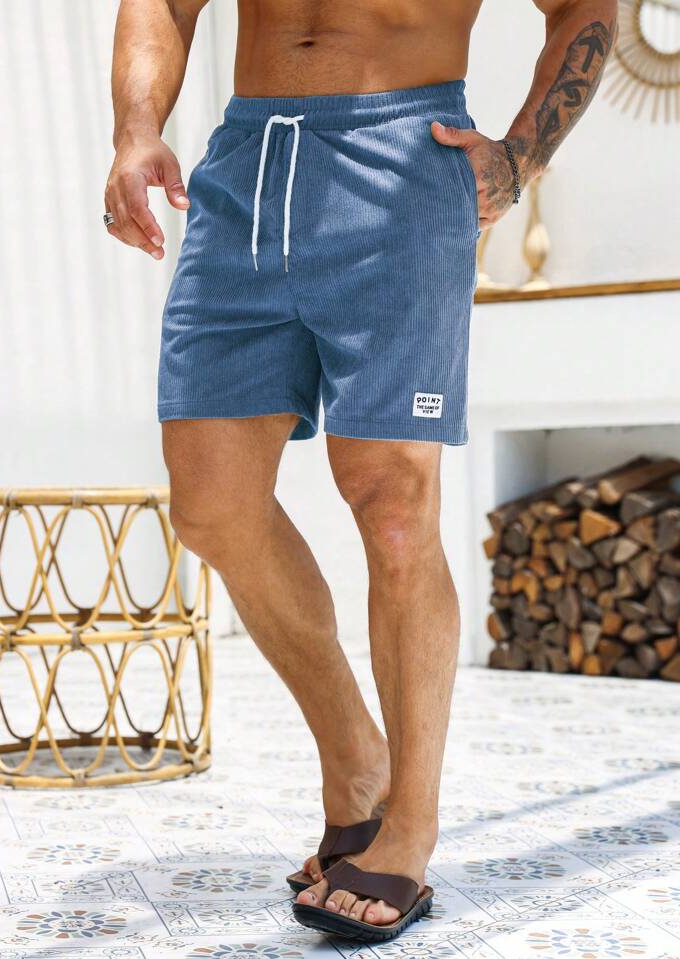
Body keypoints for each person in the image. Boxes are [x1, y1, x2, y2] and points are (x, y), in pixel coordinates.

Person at [105, 0, 617, 942]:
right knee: (211, 507)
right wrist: (137, 130)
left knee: (392, 506)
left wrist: (522, 155)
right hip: (248, 165)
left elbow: (584, 8)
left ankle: (408, 826)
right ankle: (355, 753)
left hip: (402, 155)